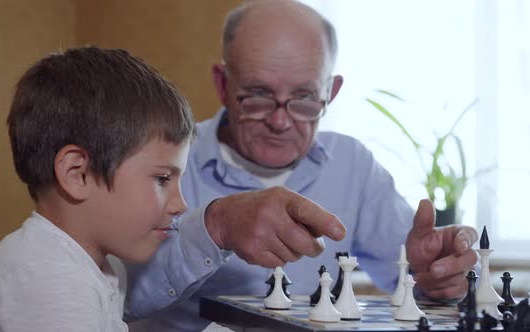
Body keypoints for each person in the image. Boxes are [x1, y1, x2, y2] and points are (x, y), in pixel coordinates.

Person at [125, 1, 479, 331]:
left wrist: (439, 278)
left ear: (332, 92)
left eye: (305, 98)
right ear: (222, 84)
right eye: (259, 95)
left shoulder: (352, 167)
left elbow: (418, 288)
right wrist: (213, 226)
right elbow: (120, 297)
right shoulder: (162, 159)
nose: (280, 122)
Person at [0, 46, 195, 331]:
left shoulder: (96, 266)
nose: (180, 204)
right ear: (78, 174)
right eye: (162, 179)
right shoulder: (50, 279)